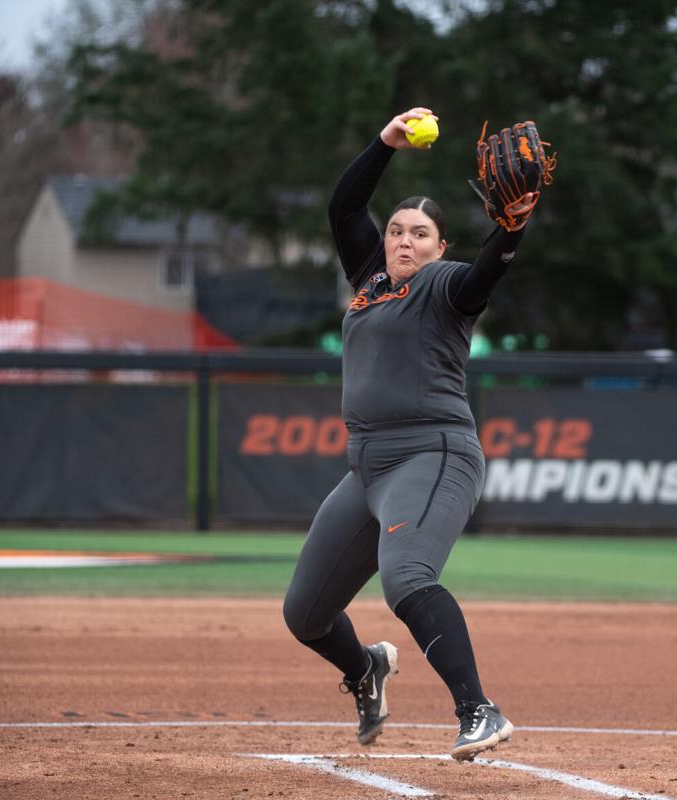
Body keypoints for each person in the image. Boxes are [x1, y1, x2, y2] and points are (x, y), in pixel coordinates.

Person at [282, 106, 540, 761]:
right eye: (396, 230)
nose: (403, 241)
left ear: (439, 247)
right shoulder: (370, 281)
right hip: (367, 469)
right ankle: (366, 668)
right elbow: (344, 209)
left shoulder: (443, 286)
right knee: (305, 613)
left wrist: (509, 231)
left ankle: (479, 709)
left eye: (419, 233)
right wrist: (383, 143)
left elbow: (488, 272)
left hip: (433, 454)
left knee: (408, 578)